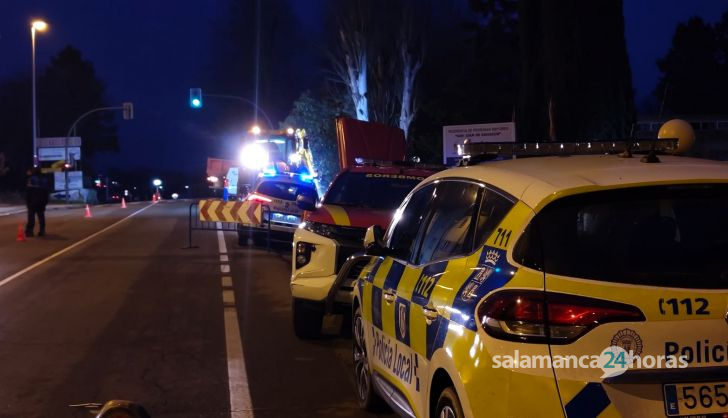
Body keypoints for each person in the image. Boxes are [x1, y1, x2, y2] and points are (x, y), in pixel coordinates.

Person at [25, 167, 50, 237]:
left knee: (31, 217)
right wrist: (46, 201)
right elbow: (46, 192)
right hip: (42, 201)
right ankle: (42, 231)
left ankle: (29, 232)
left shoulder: (31, 179)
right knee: (41, 216)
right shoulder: (44, 180)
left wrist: (27, 201)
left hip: (32, 201)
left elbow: (29, 191)